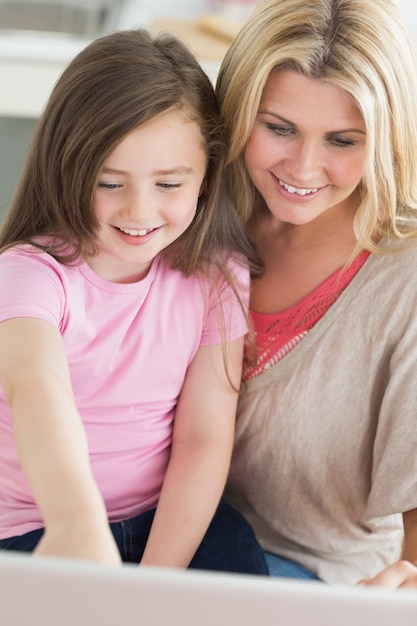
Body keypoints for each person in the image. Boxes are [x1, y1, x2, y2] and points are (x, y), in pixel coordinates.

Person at [0, 28, 268, 575]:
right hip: (40, 527)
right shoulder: (29, 274)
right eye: (109, 182)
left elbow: (202, 439)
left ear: (207, 176)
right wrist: (77, 521)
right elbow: (36, 389)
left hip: (160, 516)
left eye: (169, 184)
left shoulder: (218, 277)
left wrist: (153, 584)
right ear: (67, 169)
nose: (139, 210)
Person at [215, 0, 417, 587]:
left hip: (315, 578)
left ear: (387, 140)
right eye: (278, 128)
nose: (303, 168)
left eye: (342, 140)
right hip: (161, 543)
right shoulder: (188, 214)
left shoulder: (403, 276)